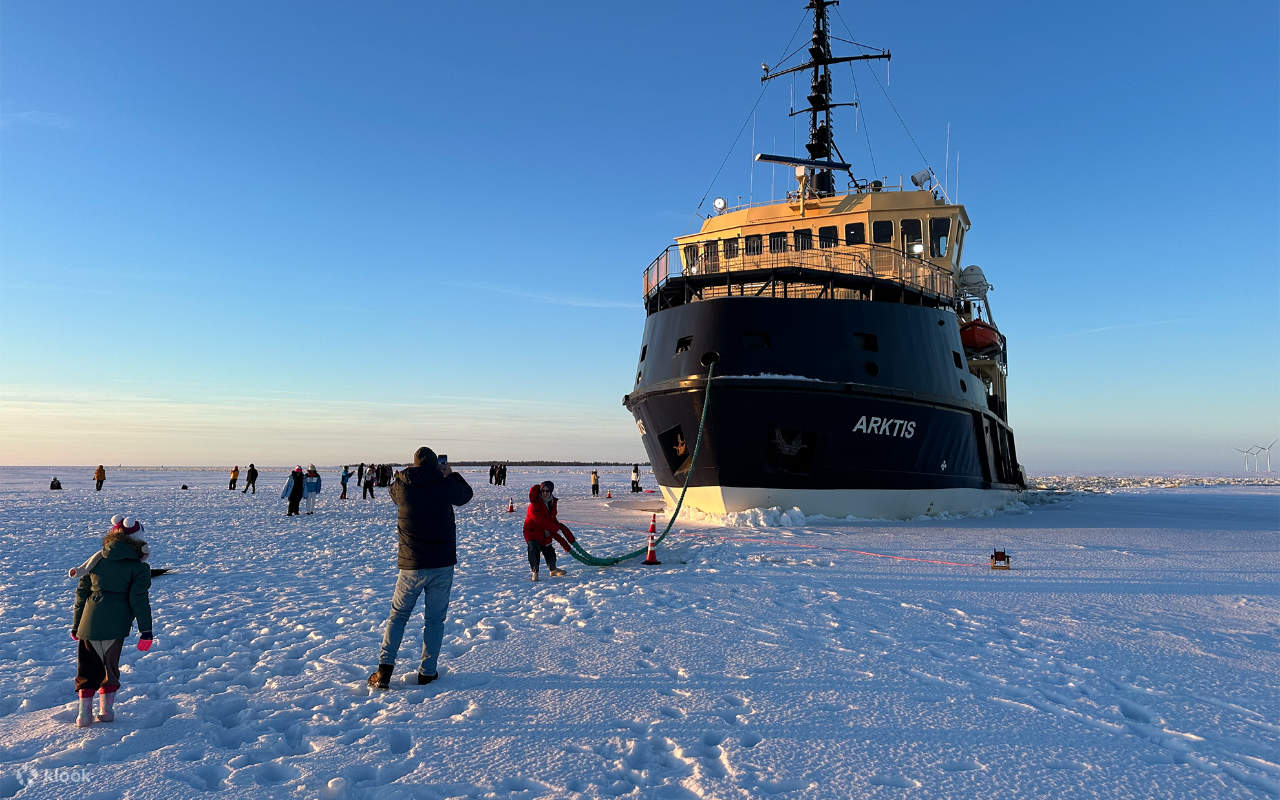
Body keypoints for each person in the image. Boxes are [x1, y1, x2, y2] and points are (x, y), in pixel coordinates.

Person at [368, 446, 473, 690]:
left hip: (411, 564)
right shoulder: (444, 483)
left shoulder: (402, 485)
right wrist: (450, 475)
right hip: (441, 564)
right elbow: (465, 495)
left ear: (414, 464)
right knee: (435, 621)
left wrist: (413, 474)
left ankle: (384, 670)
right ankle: (427, 672)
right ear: (437, 464)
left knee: (398, 617)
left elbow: (394, 493)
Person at [71, 515, 154, 727]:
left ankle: (83, 715)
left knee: (87, 668)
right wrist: (146, 631)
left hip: (88, 624)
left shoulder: (96, 560)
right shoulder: (138, 568)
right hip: (116, 625)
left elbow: (81, 594)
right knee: (110, 667)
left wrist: (76, 625)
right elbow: (139, 600)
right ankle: (106, 711)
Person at [523, 480, 575, 582]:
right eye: (543, 491)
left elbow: (552, 517)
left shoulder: (552, 502)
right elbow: (538, 519)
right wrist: (554, 528)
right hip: (532, 531)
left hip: (546, 531)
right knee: (534, 548)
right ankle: (535, 572)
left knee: (549, 550)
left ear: (551, 492)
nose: (545, 493)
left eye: (547, 491)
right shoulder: (535, 503)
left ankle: (553, 569)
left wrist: (558, 526)